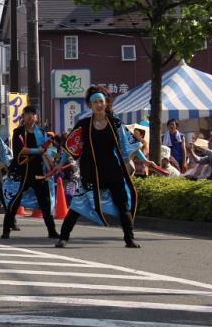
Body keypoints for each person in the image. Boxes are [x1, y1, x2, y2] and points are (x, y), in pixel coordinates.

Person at [53, 86, 149, 248]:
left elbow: (130, 145)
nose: (99, 104)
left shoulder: (115, 122)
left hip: (113, 170)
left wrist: (145, 160)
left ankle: (129, 239)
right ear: (90, 105)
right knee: (78, 204)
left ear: (106, 103)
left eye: (101, 101)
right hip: (91, 171)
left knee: (123, 204)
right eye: (95, 102)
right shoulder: (83, 124)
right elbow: (70, 147)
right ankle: (63, 237)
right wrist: (60, 164)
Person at [2, 105, 60, 239]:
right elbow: (20, 151)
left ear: (37, 117)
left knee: (45, 202)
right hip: (21, 172)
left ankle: (51, 231)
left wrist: (52, 158)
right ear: (23, 116)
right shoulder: (18, 132)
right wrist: (37, 151)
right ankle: (6, 230)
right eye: (27, 113)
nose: (30, 116)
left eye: (33, 114)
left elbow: (49, 151)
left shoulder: (43, 133)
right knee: (14, 201)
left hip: (39, 172)